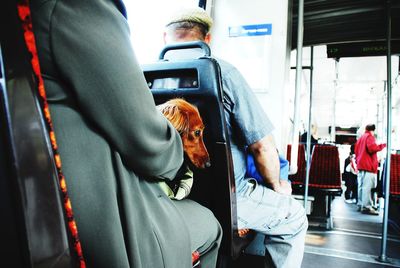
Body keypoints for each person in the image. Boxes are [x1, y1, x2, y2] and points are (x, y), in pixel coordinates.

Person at [31, 1, 222, 267]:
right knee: (211, 225)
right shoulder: (79, 7)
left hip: (39, 214)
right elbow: (148, 143)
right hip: (106, 223)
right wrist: (178, 160)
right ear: (208, 38)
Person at [163, 7, 308, 268]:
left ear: (166, 38)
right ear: (207, 39)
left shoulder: (149, 76)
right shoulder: (223, 73)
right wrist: (278, 187)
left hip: (173, 192)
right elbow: (262, 147)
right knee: (294, 217)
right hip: (227, 197)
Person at [354, 124, 386, 215]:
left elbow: (356, 151)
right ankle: (367, 207)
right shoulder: (369, 137)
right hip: (368, 166)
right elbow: (372, 148)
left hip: (361, 165)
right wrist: (383, 145)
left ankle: (360, 204)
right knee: (367, 187)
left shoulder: (361, 138)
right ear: (373, 130)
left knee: (361, 186)